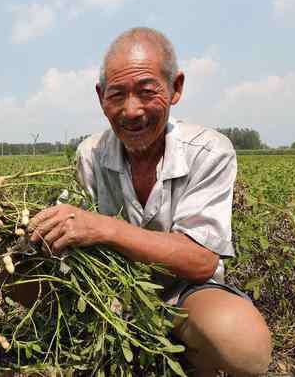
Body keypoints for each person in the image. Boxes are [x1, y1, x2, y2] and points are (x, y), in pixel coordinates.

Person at [29, 28, 272, 376]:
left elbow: (200, 261)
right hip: (109, 293)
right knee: (18, 277)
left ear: (176, 88)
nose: (131, 110)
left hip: (187, 294)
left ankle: (185, 352)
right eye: (117, 95)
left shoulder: (209, 151)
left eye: (147, 92)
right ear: (101, 98)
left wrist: (104, 227)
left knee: (242, 347)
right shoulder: (90, 155)